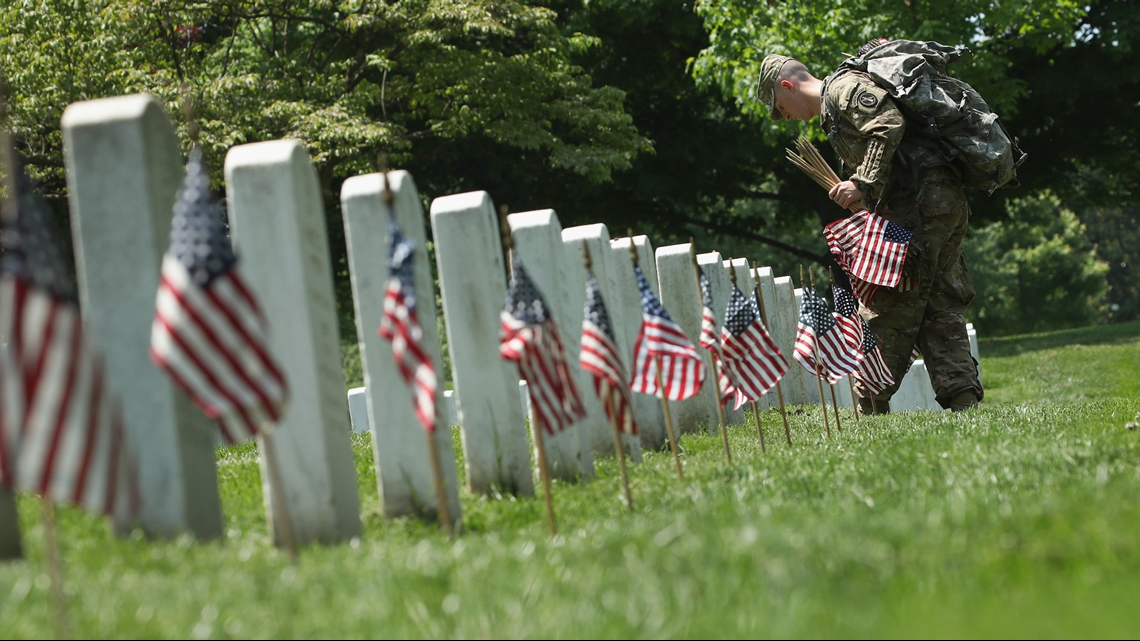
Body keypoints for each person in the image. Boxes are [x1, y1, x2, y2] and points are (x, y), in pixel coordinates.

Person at [754, 45, 983, 413]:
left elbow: (889, 123)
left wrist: (861, 182)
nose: (788, 117)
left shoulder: (842, 90)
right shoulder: (836, 104)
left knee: (888, 295)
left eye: (781, 108)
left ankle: (870, 403)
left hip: (921, 204)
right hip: (938, 203)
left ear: (787, 86)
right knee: (938, 297)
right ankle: (963, 399)